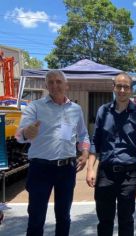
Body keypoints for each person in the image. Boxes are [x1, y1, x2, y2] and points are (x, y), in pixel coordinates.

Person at [16, 70, 90, 236]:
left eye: (58, 81)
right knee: (36, 217)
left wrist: (85, 152)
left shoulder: (76, 109)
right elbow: (19, 135)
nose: (55, 85)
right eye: (51, 82)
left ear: (66, 85)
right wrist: (28, 132)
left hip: (66, 169)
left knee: (64, 216)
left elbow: (83, 134)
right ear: (46, 86)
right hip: (41, 168)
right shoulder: (35, 107)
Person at [86, 72, 136, 236]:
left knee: (126, 219)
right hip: (105, 173)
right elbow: (95, 141)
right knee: (104, 220)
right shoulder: (103, 111)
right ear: (114, 88)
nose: (122, 90)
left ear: (131, 90)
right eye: (119, 86)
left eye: (126, 87)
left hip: (129, 174)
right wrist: (90, 169)